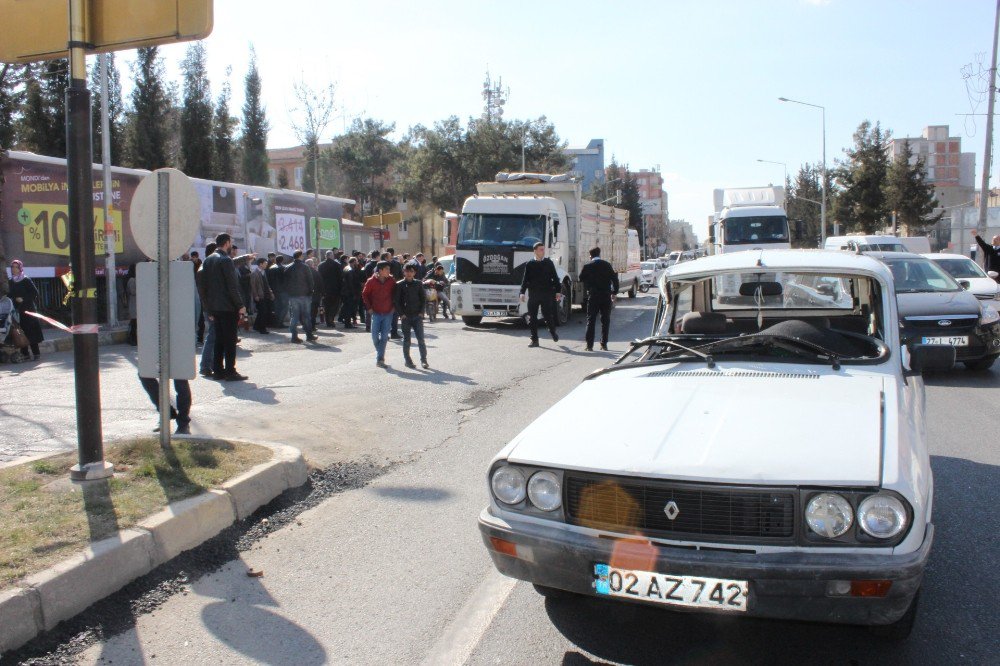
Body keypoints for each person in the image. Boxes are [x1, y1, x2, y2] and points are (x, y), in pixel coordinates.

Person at [200, 233, 248, 380]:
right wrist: (240, 305)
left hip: (214, 308)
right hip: (227, 307)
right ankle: (230, 371)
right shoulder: (225, 260)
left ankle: (218, 370)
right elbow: (232, 286)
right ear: (227, 243)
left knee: (219, 340)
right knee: (229, 341)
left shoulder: (207, 260)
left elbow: (203, 287)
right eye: (231, 243)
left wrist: (208, 308)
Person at [519, 242, 562, 347]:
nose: (543, 251)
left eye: (544, 249)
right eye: (541, 249)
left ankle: (552, 332)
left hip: (546, 295)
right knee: (532, 318)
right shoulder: (529, 264)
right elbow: (525, 279)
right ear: (535, 251)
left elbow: (555, 278)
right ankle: (534, 340)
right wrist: (522, 292)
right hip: (533, 295)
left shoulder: (548, 263)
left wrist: (558, 291)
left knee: (547, 316)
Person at [578, 246, 619, 351]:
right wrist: (614, 292)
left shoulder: (587, 266)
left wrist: (589, 282)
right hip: (606, 296)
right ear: (599, 254)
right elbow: (615, 279)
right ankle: (604, 344)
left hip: (593, 296)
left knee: (590, 320)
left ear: (590, 255)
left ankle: (589, 345)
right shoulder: (607, 265)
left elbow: (581, 278)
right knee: (605, 320)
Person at [8, 259, 44, 360]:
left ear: (20, 268)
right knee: (21, 332)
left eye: (16, 267)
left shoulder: (26, 279)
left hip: (28, 309)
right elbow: (11, 294)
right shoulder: (11, 281)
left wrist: (23, 299)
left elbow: (34, 293)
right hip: (17, 310)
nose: (14, 269)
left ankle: (36, 353)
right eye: (12, 267)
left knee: (31, 331)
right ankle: (25, 354)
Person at [394, 263, 429, 368]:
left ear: (414, 273)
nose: (409, 273)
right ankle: (408, 360)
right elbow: (396, 301)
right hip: (406, 317)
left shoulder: (418, 284)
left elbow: (423, 299)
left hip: (417, 316)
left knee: (421, 339)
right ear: (403, 272)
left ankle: (424, 360)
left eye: (411, 271)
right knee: (407, 340)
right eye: (407, 271)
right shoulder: (399, 284)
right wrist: (401, 314)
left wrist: (421, 312)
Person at [362, 261, 396, 367]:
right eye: (387, 269)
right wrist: (369, 308)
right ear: (380, 270)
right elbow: (365, 294)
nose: (389, 271)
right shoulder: (371, 281)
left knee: (385, 336)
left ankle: (380, 359)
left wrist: (394, 307)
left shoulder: (391, 281)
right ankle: (380, 353)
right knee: (374, 337)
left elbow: (396, 294)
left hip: (388, 312)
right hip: (376, 312)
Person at [284, 250, 317, 343]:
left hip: (293, 295)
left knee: (294, 316)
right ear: (301, 256)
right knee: (306, 316)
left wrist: (288, 292)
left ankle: (294, 336)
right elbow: (310, 281)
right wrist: (311, 292)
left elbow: (285, 282)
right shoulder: (305, 267)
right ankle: (309, 335)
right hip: (304, 295)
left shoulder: (288, 267)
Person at [197, 242, 217, 376]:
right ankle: (205, 366)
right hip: (211, 309)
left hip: (213, 307)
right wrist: (209, 311)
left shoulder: (210, 266)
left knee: (214, 336)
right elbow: (203, 292)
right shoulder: (205, 268)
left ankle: (211, 364)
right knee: (212, 336)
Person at [318, 250, 343, 327]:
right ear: (331, 256)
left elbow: (319, 278)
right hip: (335, 289)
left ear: (326, 256)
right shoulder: (337, 265)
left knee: (326, 305)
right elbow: (340, 277)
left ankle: (328, 320)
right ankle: (330, 319)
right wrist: (341, 288)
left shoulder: (321, 265)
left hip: (324, 288)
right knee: (335, 305)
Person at [250, 257, 274, 334]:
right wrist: (255, 295)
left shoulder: (264, 272)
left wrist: (271, 293)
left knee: (262, 312)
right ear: (260, 264)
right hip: (260, 296)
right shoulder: (254, 273)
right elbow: (253, 286)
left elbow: (266, 284)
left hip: (266, 294)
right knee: (263, 312)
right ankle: (262, 329)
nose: (266, 265)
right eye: (265, 263)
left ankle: (256, 326)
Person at [386, 248, 404, 338]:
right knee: (394, 312)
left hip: (384, 291)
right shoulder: (396, 264)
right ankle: (394, 332)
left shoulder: (381, 265)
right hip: (395, 290)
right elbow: (401, 277)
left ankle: (385, 332)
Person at [267, 255, 288, 327]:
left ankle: (276, 323)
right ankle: (280, 322)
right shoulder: (283, 268)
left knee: (277, 307)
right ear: (282, 260)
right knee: (285, 307)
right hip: (283, 290)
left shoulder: (270, 268)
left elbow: (268, 280)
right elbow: (285, 280)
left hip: (274, 290)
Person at [125, 263, 138, 346]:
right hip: (134, 305)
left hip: (135, 305)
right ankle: (132, 339)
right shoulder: (132, 280)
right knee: (134, 323)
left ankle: (134, 339)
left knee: (135, 323)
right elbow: (133, 291)